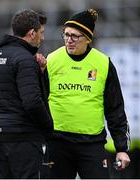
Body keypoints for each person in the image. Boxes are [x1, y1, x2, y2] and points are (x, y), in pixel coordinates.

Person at [37, 8, 131, 179]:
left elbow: (115, 108)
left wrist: (121, 149)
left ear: (88, 39)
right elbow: (39, 100)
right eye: (66, 34)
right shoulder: (51, 59)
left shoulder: (103, 63)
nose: (69, 40)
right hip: (57, 142)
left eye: (75, 36)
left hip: (91, 144)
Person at [0, 9, 53, 179]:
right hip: (24, 138)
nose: (42, 38)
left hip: (2, 135)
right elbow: (32, 101)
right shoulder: (25, 59)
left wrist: (41, 72)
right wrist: (48, 127)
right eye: (41, 33)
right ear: (32, 33)